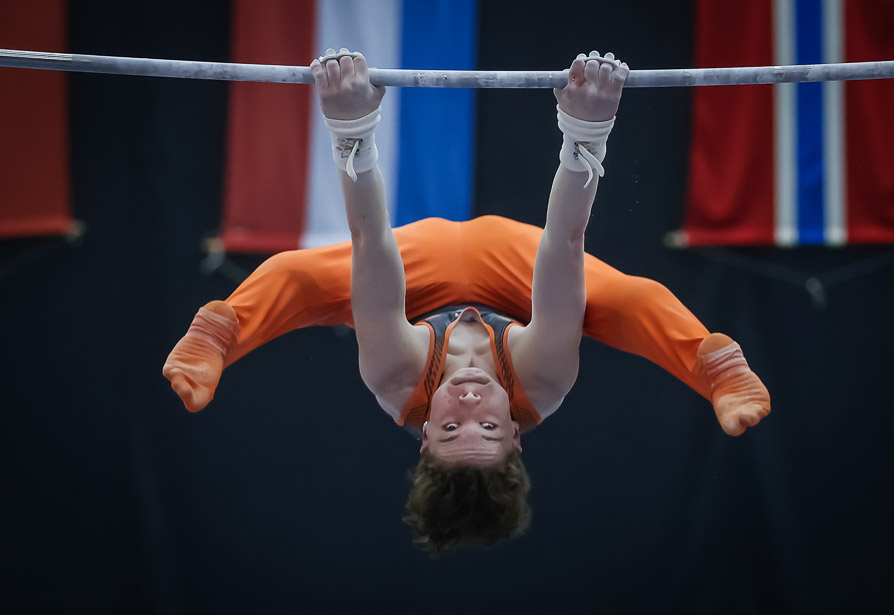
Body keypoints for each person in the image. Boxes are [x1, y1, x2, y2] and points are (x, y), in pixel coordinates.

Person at [163, 49, 770, 554]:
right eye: (490, 426)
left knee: (298, 275)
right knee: (623, 300)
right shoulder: (542, 381)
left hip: (418, 271)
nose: (472, 402)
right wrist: (587, 130)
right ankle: (716, 369)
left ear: (425, 434)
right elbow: (564, 241)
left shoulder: (397, 378)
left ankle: (217, 335)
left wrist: (350, 125)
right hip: (515, 268)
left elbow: (371, 241)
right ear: (518, 434)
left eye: (453, 426)